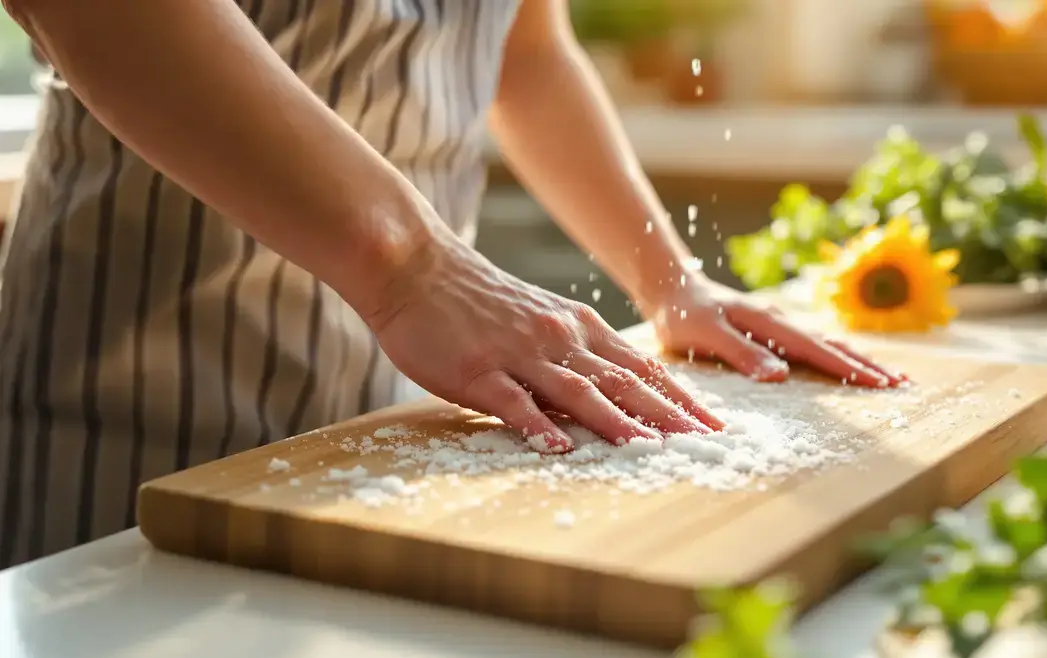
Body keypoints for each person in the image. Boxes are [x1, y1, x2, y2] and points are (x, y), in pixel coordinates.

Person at [0, 0, 900, 570]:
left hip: (391, 421)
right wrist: (413, 265)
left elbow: (530, 50)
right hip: (132, 413)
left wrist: (672, 281)